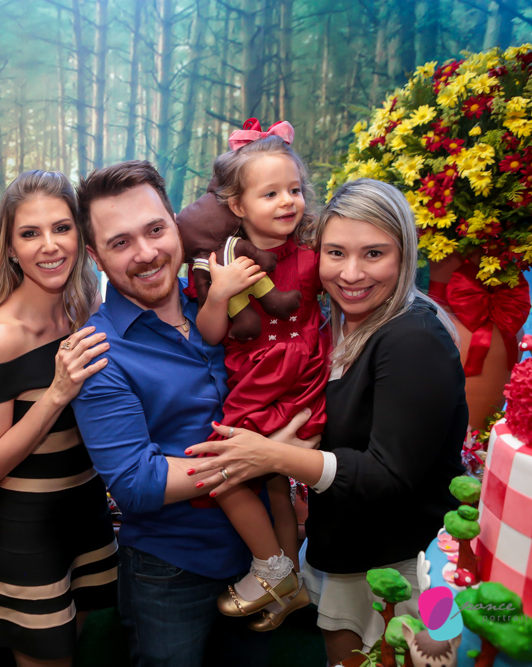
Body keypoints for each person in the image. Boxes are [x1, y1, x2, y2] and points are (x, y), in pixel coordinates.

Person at [184, 178, 466, 666]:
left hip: (400, 569)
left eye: (373, 254)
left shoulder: (413, 339)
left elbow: (388, 475)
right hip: (347, 554)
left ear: (405, 254)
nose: (351, 273)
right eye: (336, 253)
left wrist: (274, 455)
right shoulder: (337, 324)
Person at [72, 160, 296, 666]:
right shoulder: (97, 352)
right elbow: (136, 481)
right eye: (120, 242)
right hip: (169, 574)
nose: (146, 252)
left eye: (155, 229)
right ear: (95, 256)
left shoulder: (224, 302)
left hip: (261, 561)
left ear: (176, 224)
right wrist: (265, 456)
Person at [0, 170, 118, 666]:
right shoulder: (0, 335)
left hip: (88, 509)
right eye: (30, 233)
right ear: (10, 249)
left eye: (61, 228)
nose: (49, 245)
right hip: (29, 530)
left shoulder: (85, 305)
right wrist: (57, 392)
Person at [190, 122, 329, 629]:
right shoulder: (219, 261)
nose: (288, 201)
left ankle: (275, 570)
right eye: (270, 193)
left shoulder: (313, 256)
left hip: (297, 379)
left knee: (231, 474)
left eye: (294, 190)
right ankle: (286, 580)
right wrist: (220, 293)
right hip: (253, 381)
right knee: (256, 481)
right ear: (237, 205)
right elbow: (210, 333)